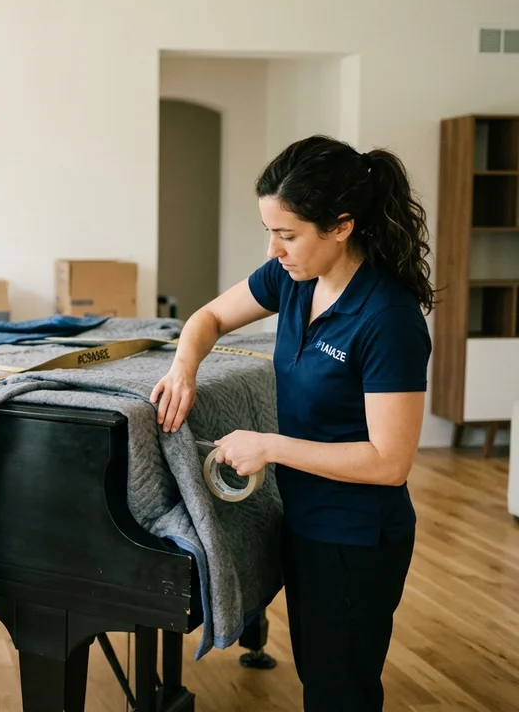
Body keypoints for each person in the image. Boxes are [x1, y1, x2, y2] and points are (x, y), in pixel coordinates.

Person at [151, 135, 433, 712]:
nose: (274, 249)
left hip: (356, 534)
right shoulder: (291, 279)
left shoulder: (388, 318)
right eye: (268, 231)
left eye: (287, 233)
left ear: (341, 226)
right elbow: (206, 318)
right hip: (305, 517)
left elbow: (389, 462)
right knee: (320, 678)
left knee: (339, 691)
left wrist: (271, 446)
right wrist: (184, 368)